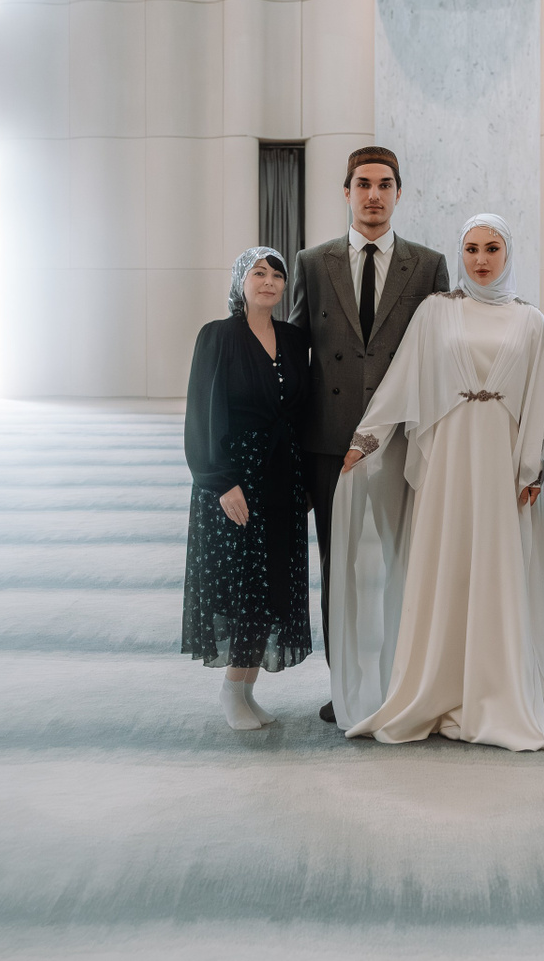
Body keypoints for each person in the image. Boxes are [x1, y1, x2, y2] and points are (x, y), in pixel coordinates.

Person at [328, 215, 544, 751]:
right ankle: (434, 688)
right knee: (445, 566)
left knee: (496, 568)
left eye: (492, 248)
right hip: (447, 465)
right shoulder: (436, 311)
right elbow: (401, 379)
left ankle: (494, 694)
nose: (481, 260)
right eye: (471, 249)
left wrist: (532, 467)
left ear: (508, 253)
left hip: (502, 466)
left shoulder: (531, 321)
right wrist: (367, 438)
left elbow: (540, 398)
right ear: (459, 254)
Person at [286, 146, 449, 724]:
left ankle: (404, 683)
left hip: (402, 438)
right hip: (329, 443)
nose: (373, 195)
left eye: (384, 185)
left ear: (399, 193)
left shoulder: (428, 265)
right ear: (347, 191)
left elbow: (439, 359)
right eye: (363, 184)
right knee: (340, 569)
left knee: (409, 563)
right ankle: (346, 687)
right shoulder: (312, 262)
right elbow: (297, 355)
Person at [182, 247, 312, 730]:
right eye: (259, 273)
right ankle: (231, 689)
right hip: (235, 480)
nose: (269, 281)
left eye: (277, 274)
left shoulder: (294, 339)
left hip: (282, 479)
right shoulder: (218, 336)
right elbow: (202, 412)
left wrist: (305, 481)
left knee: (272, 587)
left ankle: (245, 689)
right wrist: (221, 482)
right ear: (241, 281)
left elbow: (302, 412)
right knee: (243, 590)